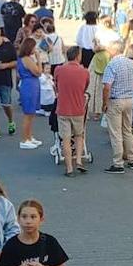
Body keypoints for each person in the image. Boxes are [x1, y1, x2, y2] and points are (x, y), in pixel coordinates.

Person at [101, 40, 133, 173]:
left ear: (114, 50)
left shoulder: (112, 64)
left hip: (116, 100)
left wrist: (104, 103)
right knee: (127, 130)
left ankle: (118, 163)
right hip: (129, 99)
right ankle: (132, 159)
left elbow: (107, 87)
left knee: (116, 133)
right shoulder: (132, 64)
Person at [53, 47, 88, 176]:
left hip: (63, 108)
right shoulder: (84, 72)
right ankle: (78, 160)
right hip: (78, 108)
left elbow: (56, 85)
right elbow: (84, 87)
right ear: (78, 56)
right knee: (79, 135)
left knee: (66, 139)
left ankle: (69, 168)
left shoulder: (59, 69)